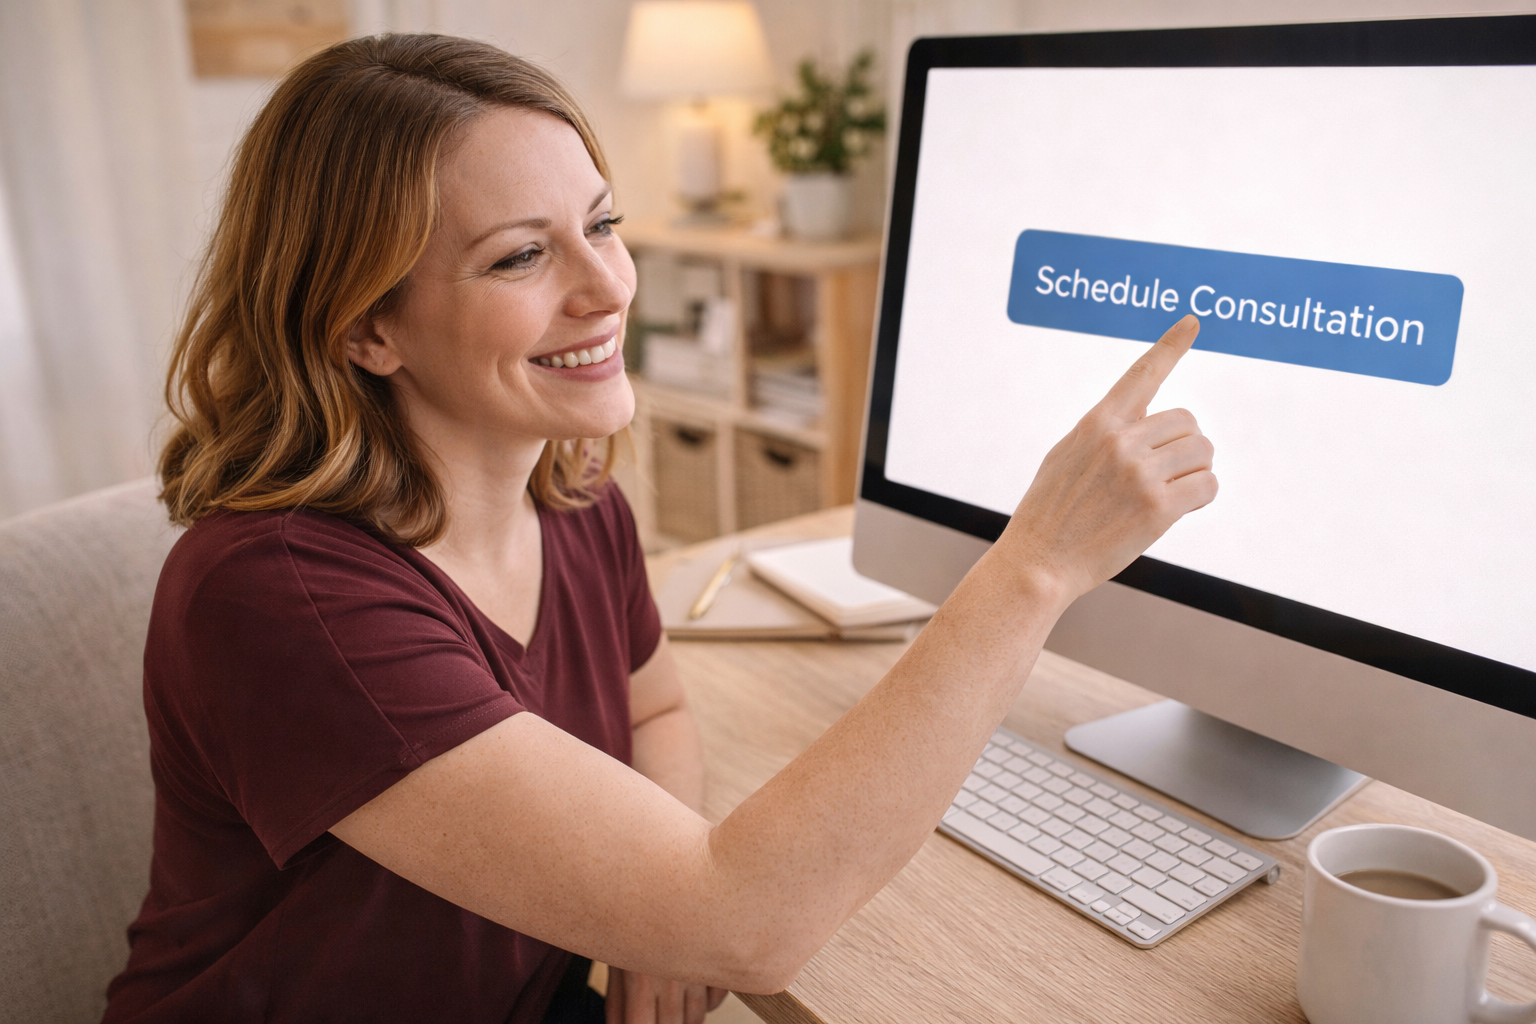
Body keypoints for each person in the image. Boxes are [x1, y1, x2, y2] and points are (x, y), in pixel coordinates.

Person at [103, 33, 1214, 1024]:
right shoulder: (284, 599)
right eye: (521, 255)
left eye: (603, 224)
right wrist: (1036, 566)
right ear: (364, 327)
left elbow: (656, 704)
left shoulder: (573, 496)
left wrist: (652, 916)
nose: (608, 286)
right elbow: (752, 924)